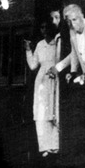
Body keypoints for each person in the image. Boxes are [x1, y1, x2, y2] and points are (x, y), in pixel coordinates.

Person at [25, 20, 61, 156]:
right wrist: (28, 50)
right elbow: (33, 65)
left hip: (54, 78)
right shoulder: (40, 45)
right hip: (41, 81)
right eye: (42, 27)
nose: (44, 30)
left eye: (46, 27)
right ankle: (44, 146)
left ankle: (54, 145)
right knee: (41, 112)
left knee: (53, 110)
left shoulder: (57, 43)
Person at [48, 4, 85, 85]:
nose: (71, 24)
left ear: (81, 16)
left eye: (74, 19)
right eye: (68, 21)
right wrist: (73, 72)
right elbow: (74, 53)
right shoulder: (72, 31)